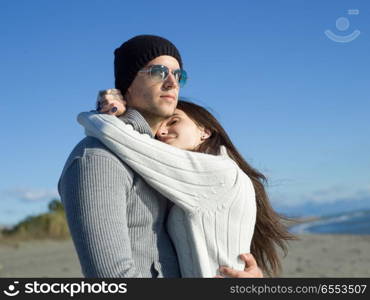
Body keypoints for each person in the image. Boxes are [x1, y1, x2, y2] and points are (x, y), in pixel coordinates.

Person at [58, 34, 264, 278]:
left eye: (179, 75)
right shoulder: (98, 159)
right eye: (158, 72)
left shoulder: (170, 164)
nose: (172, 83)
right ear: (127, 84)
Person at [78, 93, 295, 277]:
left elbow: (113, 134)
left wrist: (96, 114)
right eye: (158, 130)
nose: (161, 133)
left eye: (173, 122)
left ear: (205, 131)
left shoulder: (219, 172)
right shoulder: (204, 180)